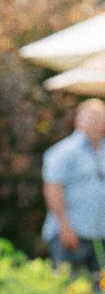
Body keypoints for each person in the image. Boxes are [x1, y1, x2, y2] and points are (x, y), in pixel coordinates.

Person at [42, 97, 105, 282]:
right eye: (92, 118)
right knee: (65, 285)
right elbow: (53, 188)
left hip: (99, 234)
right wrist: (64, 226)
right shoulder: (63, 151)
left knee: (99, 291)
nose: (96, 123)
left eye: (100, 119)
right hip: (71, 234)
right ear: (78, 120)